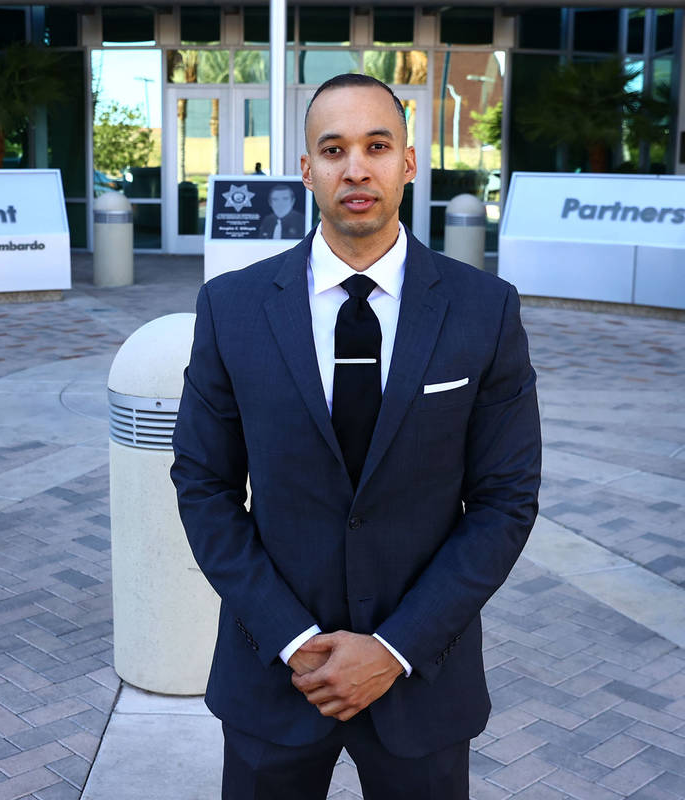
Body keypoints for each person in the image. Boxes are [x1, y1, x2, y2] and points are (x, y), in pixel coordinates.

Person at [171, 73, 541, 800]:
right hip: (275, 676)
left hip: (421, 681)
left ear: (409, 161)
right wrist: (291, 638)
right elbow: (204, 485)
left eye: (377, 146)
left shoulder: (485, 310)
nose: (356, 168)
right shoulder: (231, 308)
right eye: (333, 149)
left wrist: (396, 647)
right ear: (307, 169)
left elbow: (505, 499)